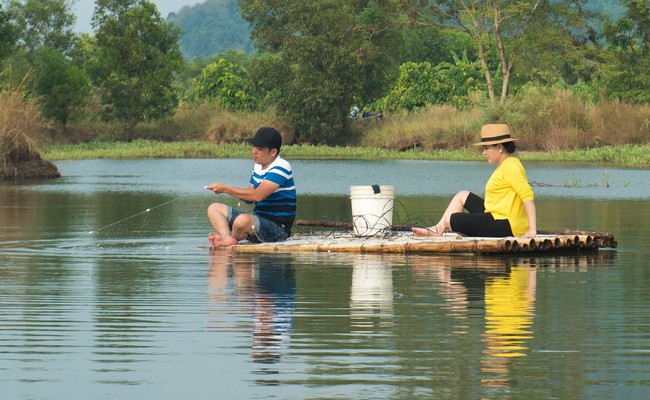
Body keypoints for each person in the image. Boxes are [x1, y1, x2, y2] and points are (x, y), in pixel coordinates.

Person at [412, 124, 537, 238]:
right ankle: (438, 230)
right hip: (496, 214)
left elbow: (527, 195)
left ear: (499, 147)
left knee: (450, 220)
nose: (484, 153)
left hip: (506, 224)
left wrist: (531, 229)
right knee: (462, 195)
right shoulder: (505, 164)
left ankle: (443, 227)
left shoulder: (511, 167)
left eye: (486, 148)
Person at [206, 127, 297, 246]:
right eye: (253, 147)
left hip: (278, 230)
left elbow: (257, 196)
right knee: (214, 208)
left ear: (273, 152)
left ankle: (229, 240)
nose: (254, 151)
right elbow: (250, 197)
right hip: (258, 222)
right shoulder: (258, 166)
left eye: (259, 149)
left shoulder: (282, 166)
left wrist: (225, 189)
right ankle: (226, 237)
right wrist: (236, 193)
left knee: (242, 220)